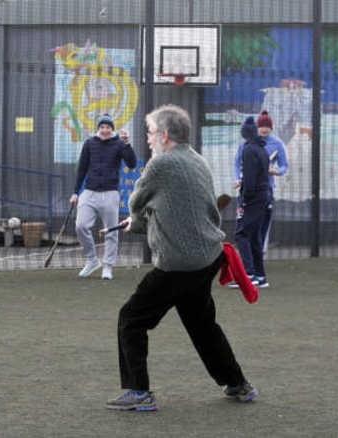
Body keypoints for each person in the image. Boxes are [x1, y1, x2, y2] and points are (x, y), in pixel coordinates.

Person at [106, 105, 258, 412]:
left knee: (131, 319)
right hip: (206, 258)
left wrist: (135, 217)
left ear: (163, 135)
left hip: (179, 265)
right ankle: (238, 384)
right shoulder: (195, 159)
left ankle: (139, 393)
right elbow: (174, 209)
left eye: (149, 133)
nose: (147, 139)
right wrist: (138, 222)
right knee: (203, 326)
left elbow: (136, 201)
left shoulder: (161, 165)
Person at [69, 114, 137, 280]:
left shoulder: (120, 144)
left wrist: (127, 143)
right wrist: (75, 192)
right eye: (102, 127)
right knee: (81, 226)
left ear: (112, 129)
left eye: (108, 127)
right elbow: (82, 169)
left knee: (111, 231)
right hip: (89, 192)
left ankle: (108, 266)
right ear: (98, 128)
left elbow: (132, 163)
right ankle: (92, 260)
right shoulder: (89, 143)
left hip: (110, 193)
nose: (105, 130)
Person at [233, 110, 288, 252]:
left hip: (266, 189)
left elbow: (284, 166)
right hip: (247, 188)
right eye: (261, 126)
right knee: (243, 219)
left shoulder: (277, 144)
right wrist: (237, 178)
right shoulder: (246, 143)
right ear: (256, 128)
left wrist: (275, 171)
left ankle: (260, 251)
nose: (264, 129)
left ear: (271, 127)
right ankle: (245, 250)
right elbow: (236, 163)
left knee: (263, 221)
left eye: (267, 126)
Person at [233, 116, 271, 289]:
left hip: (253, 198)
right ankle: (260, 276)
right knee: (255, 236)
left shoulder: (248, 149)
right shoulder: (262, 149)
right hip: (263, 196)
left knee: (242, 234)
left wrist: (245, 199)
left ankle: (248, 274)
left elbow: (249, 178)